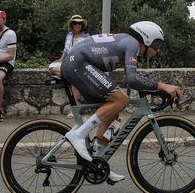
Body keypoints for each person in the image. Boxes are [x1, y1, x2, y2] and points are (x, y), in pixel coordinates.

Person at [61, 21, 183, 183]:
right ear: (146, 40)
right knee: (121, 99)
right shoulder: (132, 44)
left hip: (78, 63)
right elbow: (132, 79)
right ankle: (78, 135)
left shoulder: (128, 43)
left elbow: (134, 77)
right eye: (157, 43)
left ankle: (97, 164)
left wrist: (156, 88)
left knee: (112, 112)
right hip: (77, 63)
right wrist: (163, 86)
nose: (158, 49)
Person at [49, 14, 90, 117]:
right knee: (52, 66)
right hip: (67, 62)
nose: (77, 25)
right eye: (75, 23)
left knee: (75, 85)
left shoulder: (87, 37)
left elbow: (88, 53)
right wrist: (60, 59)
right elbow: (66, 50)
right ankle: (69, 74)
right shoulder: (69, 35)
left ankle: (73, 111)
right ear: (72, 25)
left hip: (79, 63)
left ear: (82, 25)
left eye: (79, 23)